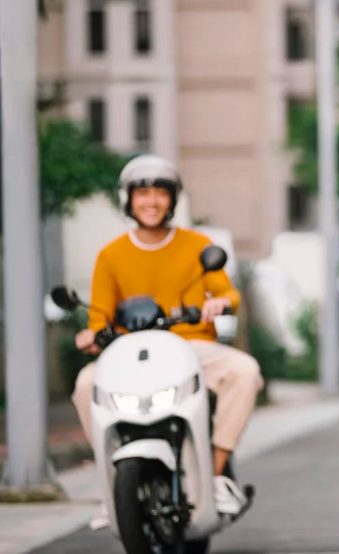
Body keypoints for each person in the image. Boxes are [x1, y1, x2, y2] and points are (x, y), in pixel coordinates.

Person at [71, 154, 263, 518]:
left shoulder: (196, 245)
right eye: (142, 194)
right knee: (86, 384)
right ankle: (112, 484)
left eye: (160, 193)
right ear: (127, 199)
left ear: (172, 199)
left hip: (190, 346)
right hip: (131, 351)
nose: (151, 201)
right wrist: (91, 334)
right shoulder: (110, 255)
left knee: (244, 371)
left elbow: (229, 294)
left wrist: (219, 302)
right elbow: (99, 315)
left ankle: (217, 473)